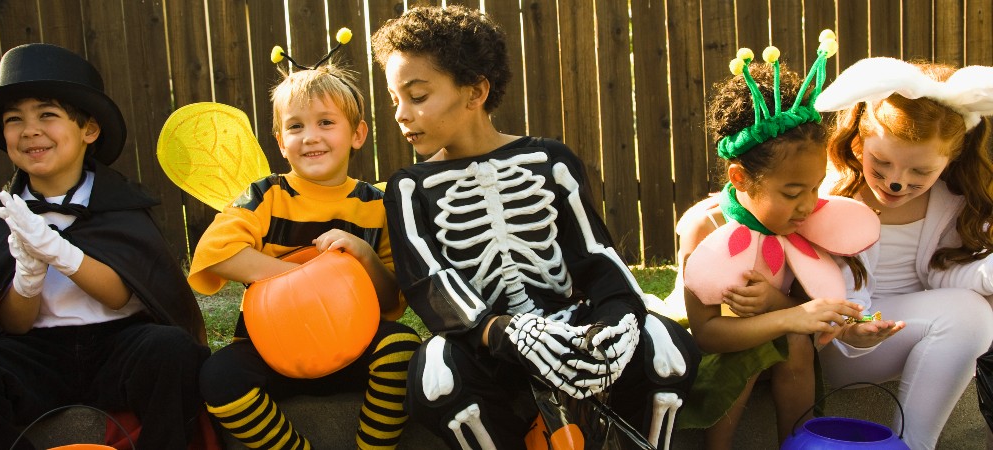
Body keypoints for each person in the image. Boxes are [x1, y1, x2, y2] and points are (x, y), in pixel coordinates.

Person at [371, 5, 699, 449]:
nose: (401, 114)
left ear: (475, 91)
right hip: (485, 345)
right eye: (395, 99)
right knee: (436, 378)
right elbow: (428, 280)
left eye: (418, 96)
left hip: (567, 326)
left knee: (666, 345)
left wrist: (615, 317)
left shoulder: (550, 160)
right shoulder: (410, 187)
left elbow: (595, 251)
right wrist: (499, 331)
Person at [0, 43, 209, 450]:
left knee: (173, 353)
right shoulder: (0, 219)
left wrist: (59, 252)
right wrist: (28, 274)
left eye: (47, 114)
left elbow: (119, 295)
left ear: (88, 130)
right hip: (36, 353)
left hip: (119, 346)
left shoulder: (123, 207)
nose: (29, 130)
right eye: (14, 119)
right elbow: (13, 326)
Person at [668, 38, 905, 449]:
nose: (809, 205)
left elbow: (803, 308)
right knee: (769, 342)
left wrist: (849, 329)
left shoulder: (806, 223)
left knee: (795, 343)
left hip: (783, 340)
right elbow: (707, 334)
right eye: (793, 192)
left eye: (815, 188)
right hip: (711, 351)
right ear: (740, 178)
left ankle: (799, 443)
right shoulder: (704, 229)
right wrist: (788, 319)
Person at [188, 44, 421, 450]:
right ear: (280, 142)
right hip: (271, 349)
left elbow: (391, 302)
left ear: (357, 134)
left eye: (326, 122)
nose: (310, 137)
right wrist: (306, 281)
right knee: (217, 377)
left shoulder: (376, 206)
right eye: (295, 127)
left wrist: (363, 256)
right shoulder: (265, 197)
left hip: (354, 344)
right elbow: (218, 252)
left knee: (403, 348)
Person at [813, 56, 993, 450]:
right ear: (858, 141)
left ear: (951, 159)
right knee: (972, 313)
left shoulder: (952, 203)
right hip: (847, 341)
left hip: (918, 328)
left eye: (919, 173)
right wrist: (854, 331)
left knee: (974, 309)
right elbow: (835, 294)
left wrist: (987, 274)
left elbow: (945, 274)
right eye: (881, 163)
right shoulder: (831, 196)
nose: (896, 183)